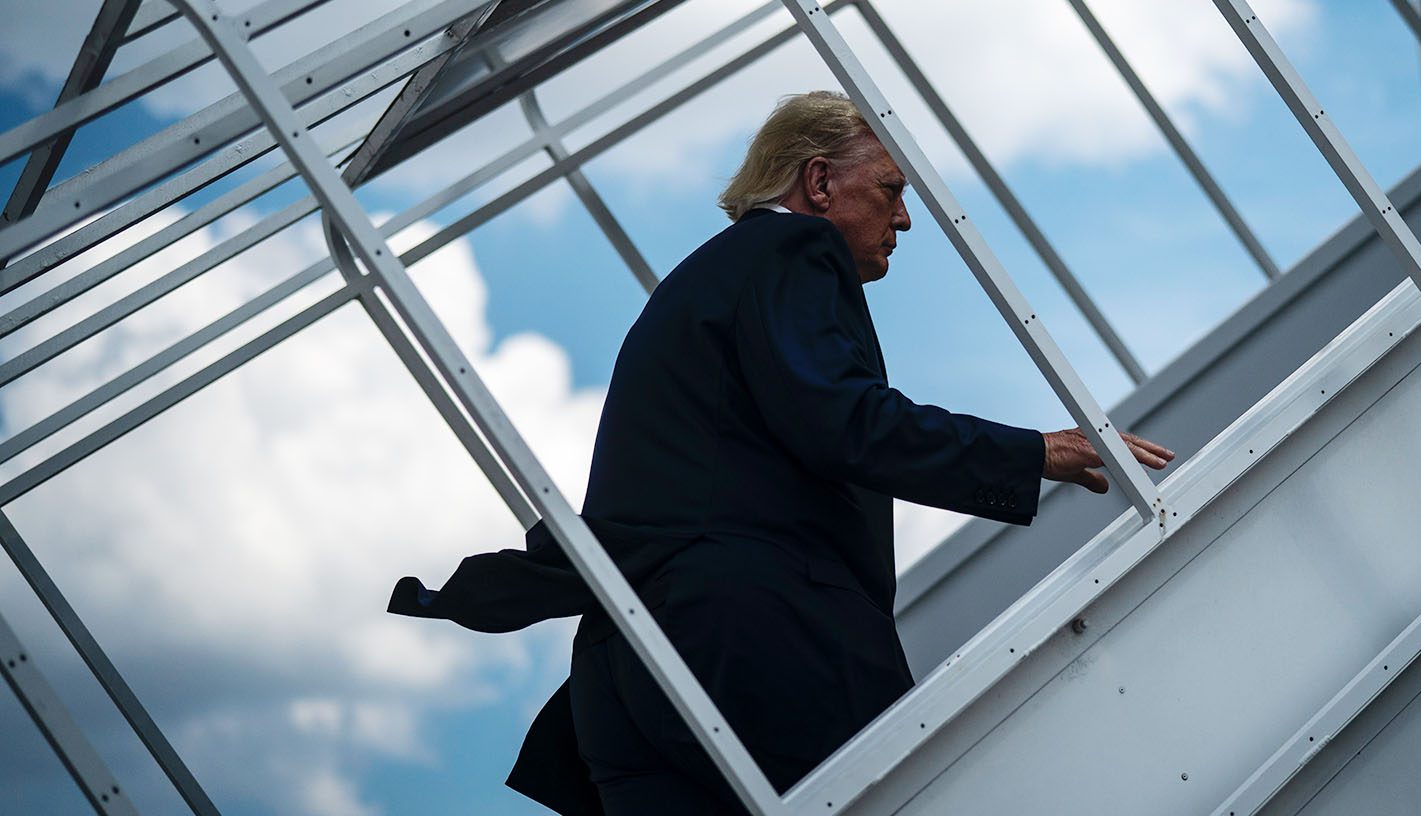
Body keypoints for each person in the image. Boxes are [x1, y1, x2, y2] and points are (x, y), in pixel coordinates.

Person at [389, 91, 1173, 814]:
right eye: (892, 190)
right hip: (751, 648)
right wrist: (1032, 451)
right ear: (820, 182)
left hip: (628, 672)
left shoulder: (708, 277)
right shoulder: (793, 250)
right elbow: (845, 420)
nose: (905, 220)